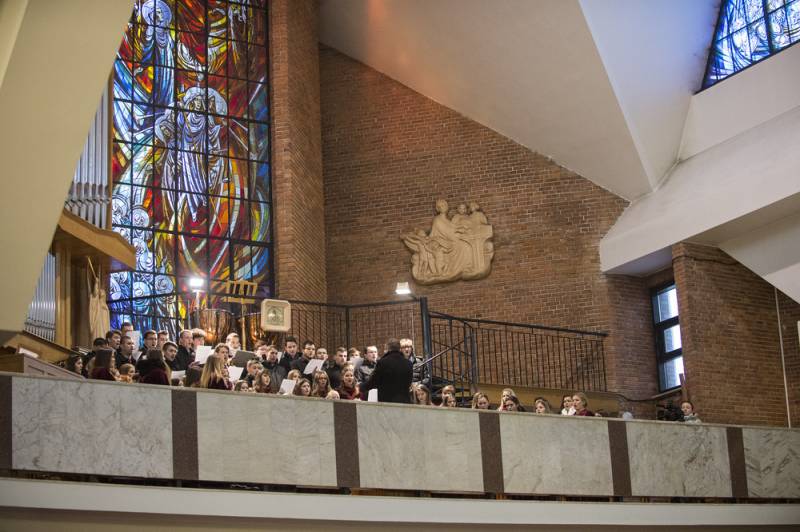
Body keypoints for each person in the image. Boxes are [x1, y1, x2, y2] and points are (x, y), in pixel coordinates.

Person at [361, 339, 413, 403]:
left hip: (387, 400)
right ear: (399, 348)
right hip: (404, 400)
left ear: (388, 348)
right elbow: (409, 382)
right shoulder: (408, 363)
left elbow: (374, 381)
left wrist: (361, 387)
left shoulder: (382, 362)